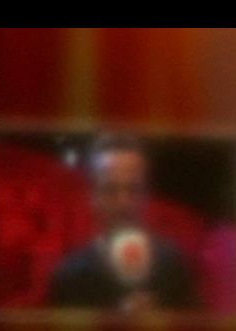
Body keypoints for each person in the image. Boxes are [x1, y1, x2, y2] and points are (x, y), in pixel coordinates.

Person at [44, 134, 197, 313]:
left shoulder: (172, 265)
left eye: (133, 189)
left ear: (146, 195)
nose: (123, 202)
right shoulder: (69, 277)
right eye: (110, 190)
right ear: (92, 197)